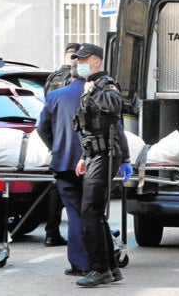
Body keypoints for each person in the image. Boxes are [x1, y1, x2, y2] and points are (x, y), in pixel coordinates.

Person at [72, 43, 133, 287]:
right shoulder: (91, 87)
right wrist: (84, 157)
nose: (79, 63)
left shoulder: (105, 85)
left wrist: (94, 90)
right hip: (96, 154)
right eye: (77, 59)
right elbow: (92, 128)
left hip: (106, 154)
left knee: (89, 212)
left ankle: (100, 270)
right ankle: (111, 268)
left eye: (83, 59)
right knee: (95, 213)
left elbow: (115, 109)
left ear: (96, 61)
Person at [36, 58, 90, 276]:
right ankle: (99, 260)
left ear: (71, 75)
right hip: (91, 162)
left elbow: (42, 129)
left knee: (75, 212)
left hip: (64, 162)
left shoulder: (55, 96)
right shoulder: (95, 95)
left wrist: (55, 147)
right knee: (93, 212)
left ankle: (80, 263)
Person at [40, 42, 81, 247]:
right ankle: (54, 232)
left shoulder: (52, 77)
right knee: (68, 195)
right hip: (71, 142)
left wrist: (52, 144)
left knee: (57, 189)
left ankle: (51, 231)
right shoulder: (71, 80)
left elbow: (45, 115)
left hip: (57, 140)